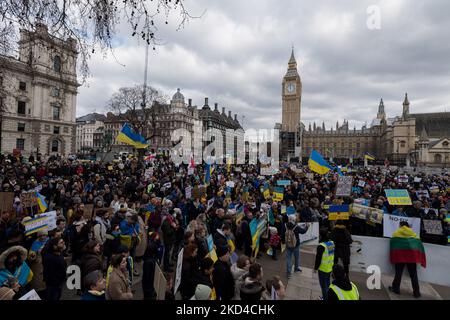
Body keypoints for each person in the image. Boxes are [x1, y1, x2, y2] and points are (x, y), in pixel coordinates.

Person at [388, 221, 425, 298]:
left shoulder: (396, 233)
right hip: (411, 257)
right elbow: (419, 243)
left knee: (398, 273)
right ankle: (416, 292)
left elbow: (393, 241)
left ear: (401, 225)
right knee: (413, 275)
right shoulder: (414, 234)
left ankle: (396, 289)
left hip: (400, 256)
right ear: (408, 226)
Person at [314, 228, 335, 300]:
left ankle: (325, 298)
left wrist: (315, 268)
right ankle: (327, 297)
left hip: (323, 269)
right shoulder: (331, 243)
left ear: (321, 235)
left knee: (323, 286)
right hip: (329, 267)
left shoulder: (321, 246)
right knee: (328, 284)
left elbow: (318, 259)